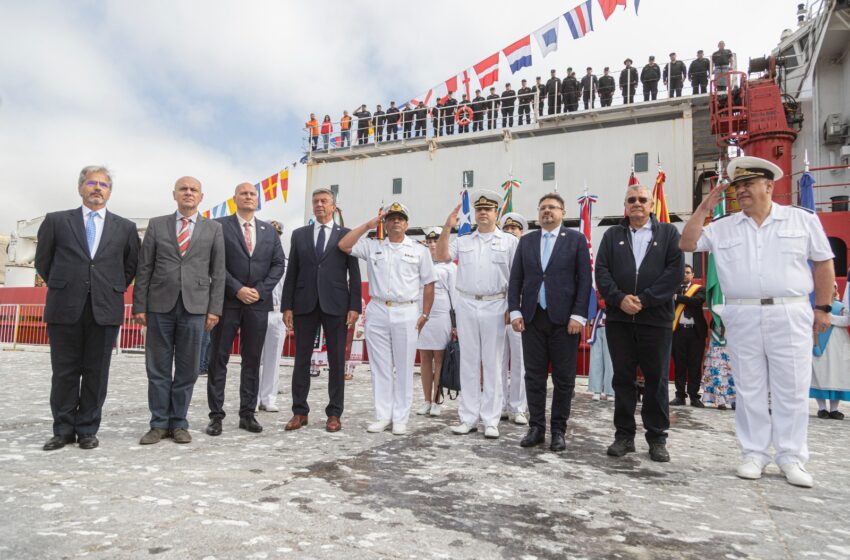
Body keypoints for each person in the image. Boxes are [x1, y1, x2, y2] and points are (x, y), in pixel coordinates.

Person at [679, 155, 835, 488]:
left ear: (769, 186)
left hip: (789, 310)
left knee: (792, 387)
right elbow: (687, 242)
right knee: (749, 387)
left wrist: (822, 308)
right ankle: (754, 453)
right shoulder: (724, 226)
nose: (741, 191)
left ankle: (792, 457)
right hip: (743, 312)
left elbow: (823, 263)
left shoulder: (801, 220)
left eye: (748, 184)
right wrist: (705, 207)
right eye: (738, 186)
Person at [35, 166, 140, 451]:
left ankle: (87, 430)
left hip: (104, 308)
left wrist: (108, 287)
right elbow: (43, 261)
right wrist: (66, 284)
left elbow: (130, 266)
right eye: (92, 183)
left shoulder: (125, 228)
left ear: (110, 191)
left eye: (103, 184)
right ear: (80, 187)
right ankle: (62, 430)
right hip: (65, 306)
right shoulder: (57, 221)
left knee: (96, 372)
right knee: (64, 372)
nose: (97, 188)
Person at [595, 183, 684, 463]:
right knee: (622, 379)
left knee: (657, 380)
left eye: (642, 199)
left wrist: (644, 300)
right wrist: (619, 299)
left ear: (651, 205)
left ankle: (657, 438)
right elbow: (602, 271)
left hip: (655, 320)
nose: (637, 203)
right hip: (620, 319)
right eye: (631, 199)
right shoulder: (612, 235)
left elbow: (674, 273)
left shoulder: (668, 233)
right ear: (625, 205)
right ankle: (624, 436)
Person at [133, 176, 225, 445]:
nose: (188, 193)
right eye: (183, 189)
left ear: (201, 196)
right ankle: (158, 424)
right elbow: (144, 267)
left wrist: (214, 309)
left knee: (188, 370)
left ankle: (179, 423)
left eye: (193, 189)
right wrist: (140, 305)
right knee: (157, 369)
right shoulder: (157, 225)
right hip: (159, 306)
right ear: (174, 194)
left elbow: (218, 272)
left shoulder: (214, 229)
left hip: (195, 308)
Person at [339, 202, 436, 435]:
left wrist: (425, 314)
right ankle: (383, 415)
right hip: (378, 309)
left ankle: (400, 417)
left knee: (403, 366)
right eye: (391, 218)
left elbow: (429, 283)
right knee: (380, 366)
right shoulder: (373, 246)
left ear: (406, 224)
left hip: (406, 310)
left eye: (400, 219)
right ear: (384, 223)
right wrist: (368, 225)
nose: (395, 222)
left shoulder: (419, 250)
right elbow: (344, 245)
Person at [509, 195, 591, 452]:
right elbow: (516, 279)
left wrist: (578, 315)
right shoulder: (527, 241)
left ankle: (558, 430)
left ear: (563, 212)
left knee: (564, 379)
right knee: (534, 377)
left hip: (565, 321)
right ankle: (536, 428)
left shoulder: (576, 240)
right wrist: (514, 311)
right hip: (532, 318)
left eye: (552, 208)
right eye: (543, 207)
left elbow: (585, 280)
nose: (547, 211)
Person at [437, 189, 519, 439]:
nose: (483, 213)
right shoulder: (464, 240)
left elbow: (517, 277)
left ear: (496, 213)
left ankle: (491, 420)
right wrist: (447, 228)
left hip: (496, 304)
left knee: (493, 363)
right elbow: (441, 255)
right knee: (469, 363)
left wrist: (513, 307)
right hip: (467, 304)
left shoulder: (509, 242)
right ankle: (468, 417)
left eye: (488, 209)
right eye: (479, 209)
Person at [205, 183, 286, 436]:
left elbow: (278, 265)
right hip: (227, 302)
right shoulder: (219, 226)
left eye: (252, 194)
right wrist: (237, 288)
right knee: (218, 359)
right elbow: (214, 262)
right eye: (244, 193)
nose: (249, 197)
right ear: (235, 198)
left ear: (257, 200)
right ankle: (216, 416)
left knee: (252, 360)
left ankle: (247, 414)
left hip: (258, 305)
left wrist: (260, 290)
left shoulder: (269, 231)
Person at [282, 188, 362, 433]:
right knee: (301, 360)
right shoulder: (299, 235)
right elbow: (292, 272)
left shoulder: (346, 235)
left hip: (336, 305)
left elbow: (354, 273)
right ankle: (299, 411)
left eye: (324, 201)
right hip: (304, 303)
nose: (319, 204)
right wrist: (287, 306)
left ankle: (334, 413)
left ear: (333, 207)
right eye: (316, 201)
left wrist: (354, 306)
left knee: (336, 361)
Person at [416, 227, 457, 417]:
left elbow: (455, 295)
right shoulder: (420, 263)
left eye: (436, 241)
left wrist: (456, 323)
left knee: (440, 358)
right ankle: (426, 400)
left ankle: (436, 399)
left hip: (441, 314)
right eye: (430, 241)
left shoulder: (450, 266)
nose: (433, 245)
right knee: (424, 357)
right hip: (422, 313)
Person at [499, 213, 530, 425]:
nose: (510, 232)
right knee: (497, 361)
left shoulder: (528, 253)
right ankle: (500, 404)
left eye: (514, 229)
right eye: (507, 229)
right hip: (497, 310)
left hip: (520, 312)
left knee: (519, 362)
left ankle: (518, 407)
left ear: (521, 232)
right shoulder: (497, 251)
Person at [257, 220, 287, 413]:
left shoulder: (285, 262)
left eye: (278, 234)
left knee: (274, 358)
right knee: (254, 358)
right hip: (258, 311)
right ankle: (252, 398)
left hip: (278, 312)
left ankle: (268, 398)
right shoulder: (256, 259)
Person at [670, 264, 708, 407]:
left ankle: (694, 396)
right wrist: (675, 295)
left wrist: (676, 297)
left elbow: (696, 301)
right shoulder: (673, 289)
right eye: (683, 272)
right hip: (678, 331)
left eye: (687, 272)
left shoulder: (699, 289)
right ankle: (680, 396)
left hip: (695, 332)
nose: (685, 274)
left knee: (695, 365)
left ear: (692, 274)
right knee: (679, 365)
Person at [811, 282, 850, 419]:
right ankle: (822, 408)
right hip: (820, 342)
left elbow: (847, 321)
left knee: (836, 373)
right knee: (820, 372)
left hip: (839, 344)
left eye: (832, 287)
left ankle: (834, 409)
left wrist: (828, 318)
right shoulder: (816, 307)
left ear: (835, 290)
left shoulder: (841, 306)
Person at [587, 295, 614, 401]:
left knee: (610, 359)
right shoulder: (594, 286)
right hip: (596, 323)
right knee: (596, 358)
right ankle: (596, 390)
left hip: (612, 322)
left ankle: (610, 391)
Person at [701, 327, 736, 410]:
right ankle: (720, 401)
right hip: (716, 345)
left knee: (730, 374)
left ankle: (734, 401)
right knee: (718, 373)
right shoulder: (716, 321)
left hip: (730, 344)